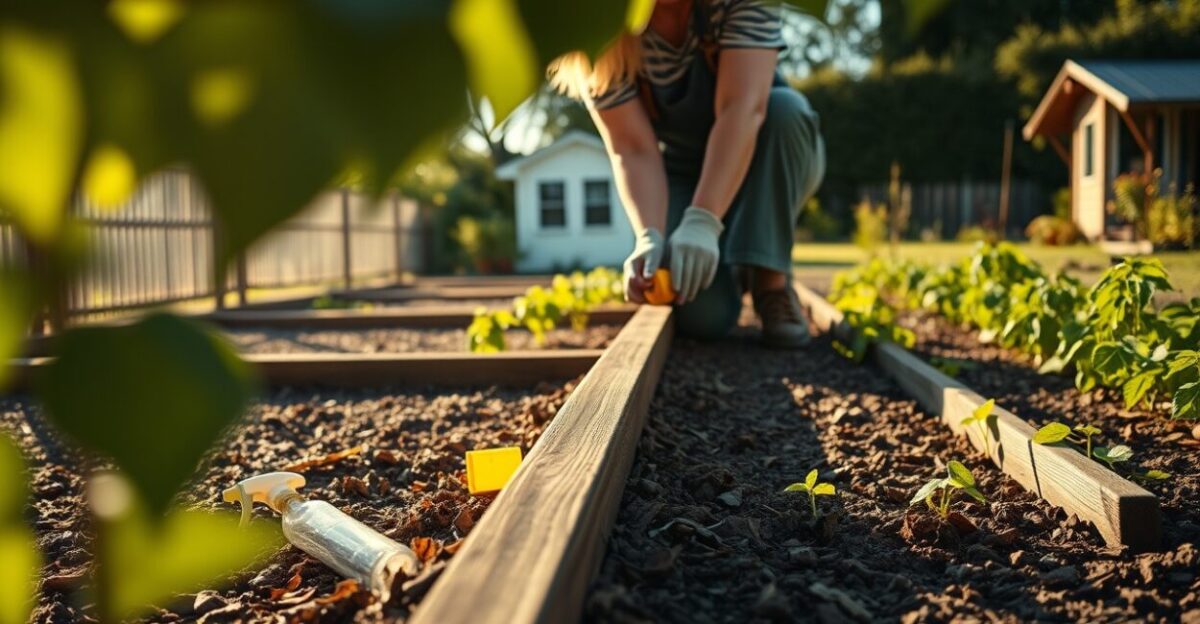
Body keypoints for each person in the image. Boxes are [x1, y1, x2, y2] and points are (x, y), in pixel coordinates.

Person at [549, 0, 825, 348]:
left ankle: (771, 283)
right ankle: (737, 266)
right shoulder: (598, 24)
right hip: (682, 171)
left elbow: (743, 109)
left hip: (767, 154)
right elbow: (632, 148)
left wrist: (702, 221)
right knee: (702, 315)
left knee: (786, 110)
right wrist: (649, 235)